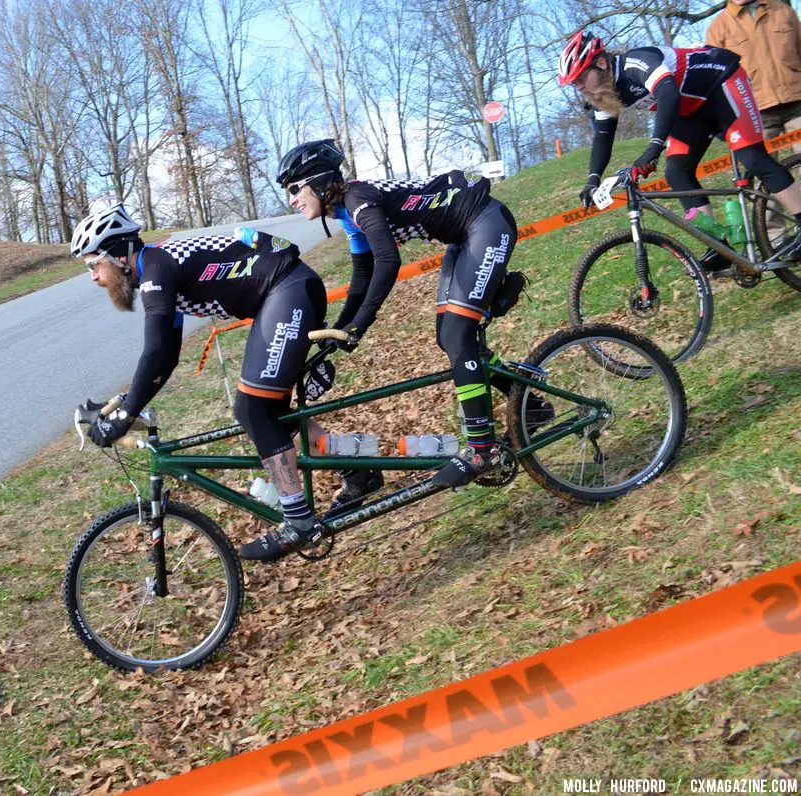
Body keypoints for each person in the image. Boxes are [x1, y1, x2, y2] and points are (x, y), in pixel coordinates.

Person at [71, 204, 379, 563]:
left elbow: (155, 351)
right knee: (269, 413)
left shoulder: (156, 268)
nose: (94, 276)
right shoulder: (156, 271)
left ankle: (299, 520)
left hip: (288, 288)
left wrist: (124, 416)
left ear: (119, 255)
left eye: (94, 264)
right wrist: (130, 404)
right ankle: (357, 471)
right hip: (284, 292)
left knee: (253, 409)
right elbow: (166, 355)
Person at [274, 140, 554, 491]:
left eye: (295, 189)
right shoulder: (345, 213)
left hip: (484, 222)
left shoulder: (357, 201)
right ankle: (529, 404)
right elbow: (362, 274)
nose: (292, 200)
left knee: (456, 334)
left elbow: (389, 261)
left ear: (318, 182)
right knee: (450, 337)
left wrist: (361, 322)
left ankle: (482, 449)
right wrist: (342, 329)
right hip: (463, 235)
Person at [558, 30, 801, 270]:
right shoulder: (603, 93)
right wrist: (592, 180)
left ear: (600, 63)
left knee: (753, 158)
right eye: (573, 83)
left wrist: (654, 146)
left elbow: (668, 94)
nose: (578, 86)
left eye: (580, 77)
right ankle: (718, 246)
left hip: (722, 82)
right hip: (691, 110)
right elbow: (603, 136)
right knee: (677, 172)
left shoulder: (635, 63)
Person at [706, 0, 801, 243]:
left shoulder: (783, 10)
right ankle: (778, 240)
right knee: (766, 178)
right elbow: (711, 79)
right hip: (754, 113)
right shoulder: (718, 27)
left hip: (797, 101)